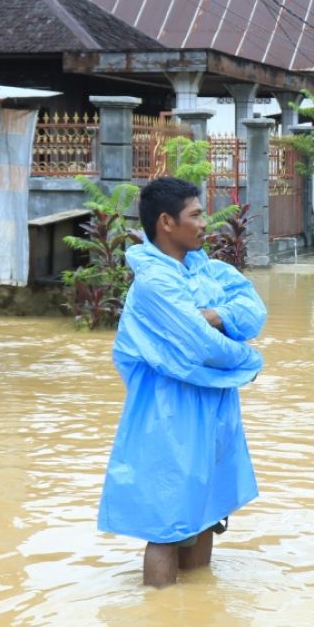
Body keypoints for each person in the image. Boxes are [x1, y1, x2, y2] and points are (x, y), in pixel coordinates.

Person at [97, 177, 266, 588]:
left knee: (207, 510)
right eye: (196, 215)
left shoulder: (205, 268)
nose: (206, 222)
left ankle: (193, 618)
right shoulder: (155, 283)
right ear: (167, 222)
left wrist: (215, 315)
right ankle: (160, 617)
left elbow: (253, 309)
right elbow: (201, 346)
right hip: (166, 416)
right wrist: (251, 357)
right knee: (167, 523)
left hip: (214, 410)